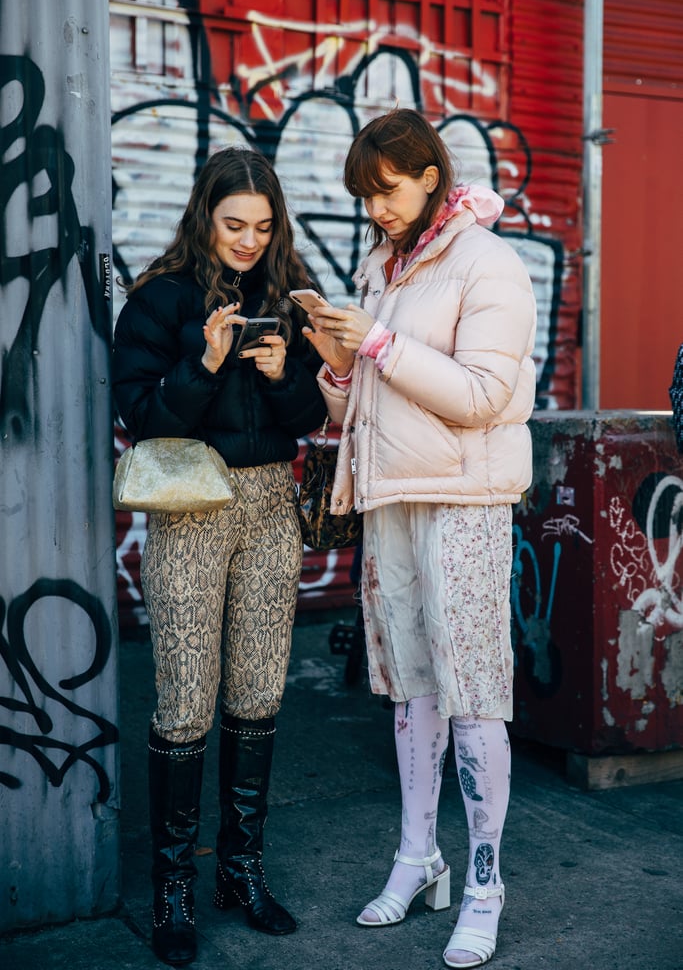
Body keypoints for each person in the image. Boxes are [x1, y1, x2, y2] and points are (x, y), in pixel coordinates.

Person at [303, 109, 536, 969]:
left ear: (430, 175)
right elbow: (367, 400)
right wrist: (338, 365)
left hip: (464, 501)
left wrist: (380, 341)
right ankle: (418, 858)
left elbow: (480, 394)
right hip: (392, 497)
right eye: (365, 196)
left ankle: (484, 884)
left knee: (473, 693)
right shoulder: (387, 266)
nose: (376, 210)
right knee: (408, 688)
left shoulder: (491, 263)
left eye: (387, 190)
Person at [112, 147, 328, 967]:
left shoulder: (288, 293)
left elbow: (308, 414)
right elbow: (143, 422)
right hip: (192, 510)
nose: (248, 240)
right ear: (205, 215)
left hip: (273, 505)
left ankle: (240, 871)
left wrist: (283, 374)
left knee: (256, 695)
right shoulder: (159, 300)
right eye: (234, 224)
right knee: (184, 702)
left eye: (263, 226)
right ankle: (172, 885)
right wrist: (202, 362)